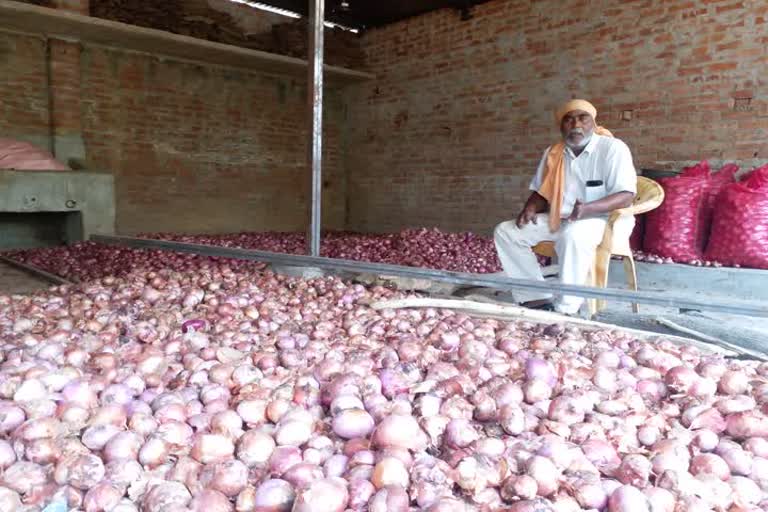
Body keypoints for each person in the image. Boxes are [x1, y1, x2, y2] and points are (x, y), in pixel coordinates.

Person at [494, 99, 637, 315]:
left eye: (582, 118)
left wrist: (588, 209)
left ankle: (566, 309)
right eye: (568, 120)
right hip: (562, 217)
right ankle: (535, 299)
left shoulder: (613, 149)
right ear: (561, 126)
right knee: (507, 232)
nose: (576, 125)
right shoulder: (554, 153)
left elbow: (626, 196)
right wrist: (531, 207)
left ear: (594, 123)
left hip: (605, 219)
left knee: (573, 235)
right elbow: (542, 191)